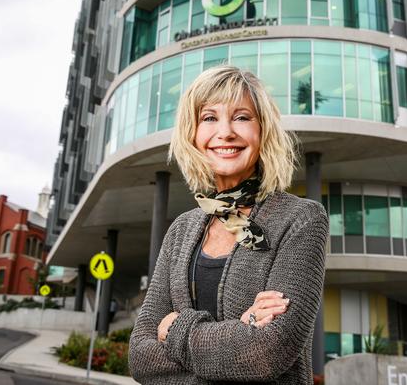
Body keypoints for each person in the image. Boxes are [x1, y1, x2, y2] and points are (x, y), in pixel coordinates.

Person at [129, 65, 329, 384]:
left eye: (241, 117)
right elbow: (140, 357)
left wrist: (175, 329)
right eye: (209, 118)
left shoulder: (302, 219)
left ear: (262, 130)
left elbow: (266, 354)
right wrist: (243, 328)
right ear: (192, 132)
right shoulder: (181, 229)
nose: (226, 132)